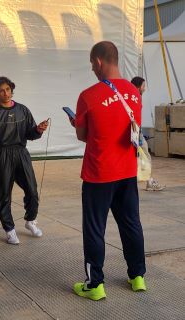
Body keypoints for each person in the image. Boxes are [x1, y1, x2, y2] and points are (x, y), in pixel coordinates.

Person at [71, 41, 146, 301]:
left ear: (99, 61)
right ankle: (137, 276)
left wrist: (78, 123)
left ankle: (95, 285)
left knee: (94, 228)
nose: (92, 69)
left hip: (99, 174)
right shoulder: (134, 93)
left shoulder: (87, 96)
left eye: (93, 64)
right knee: (131, 224)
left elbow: (83, 136)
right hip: (127, 171)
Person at [0, 76, 48, 245]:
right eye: (2, 91)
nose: (6, 93)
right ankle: (9, 230)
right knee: (4, 194)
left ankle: (30, 220)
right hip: (3, 155)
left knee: (32, 190)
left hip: (21, 153)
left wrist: (38, 130)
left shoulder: (23, 110)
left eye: (8, 89)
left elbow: (30, 133)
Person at [131, 76, 166, 191]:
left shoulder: (130, 97)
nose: (144, 89)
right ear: (138, 87)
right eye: (143, 86)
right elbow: (134, 118)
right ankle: (149, 182)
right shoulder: (136, 98)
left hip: (132, 131)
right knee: (146, 156)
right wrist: (139, 134)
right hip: (136, 132)